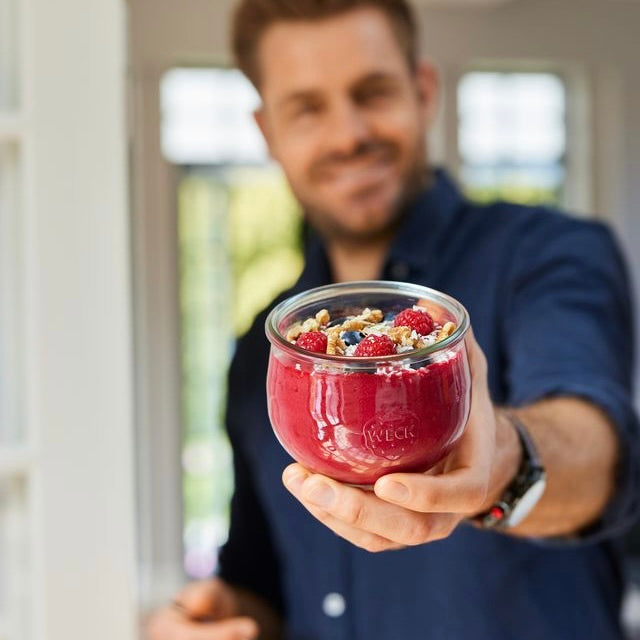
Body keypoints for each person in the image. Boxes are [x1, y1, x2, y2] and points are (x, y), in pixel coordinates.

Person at [146, 1, 640, 638]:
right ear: (269, 133)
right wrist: (219, 619)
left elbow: (601, 452)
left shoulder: (547, 254)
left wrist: (500, 463)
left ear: (423, 90)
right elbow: (263, 580)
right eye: (308, 108)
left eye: (371, 92)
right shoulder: (263, 351)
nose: (348, 134)